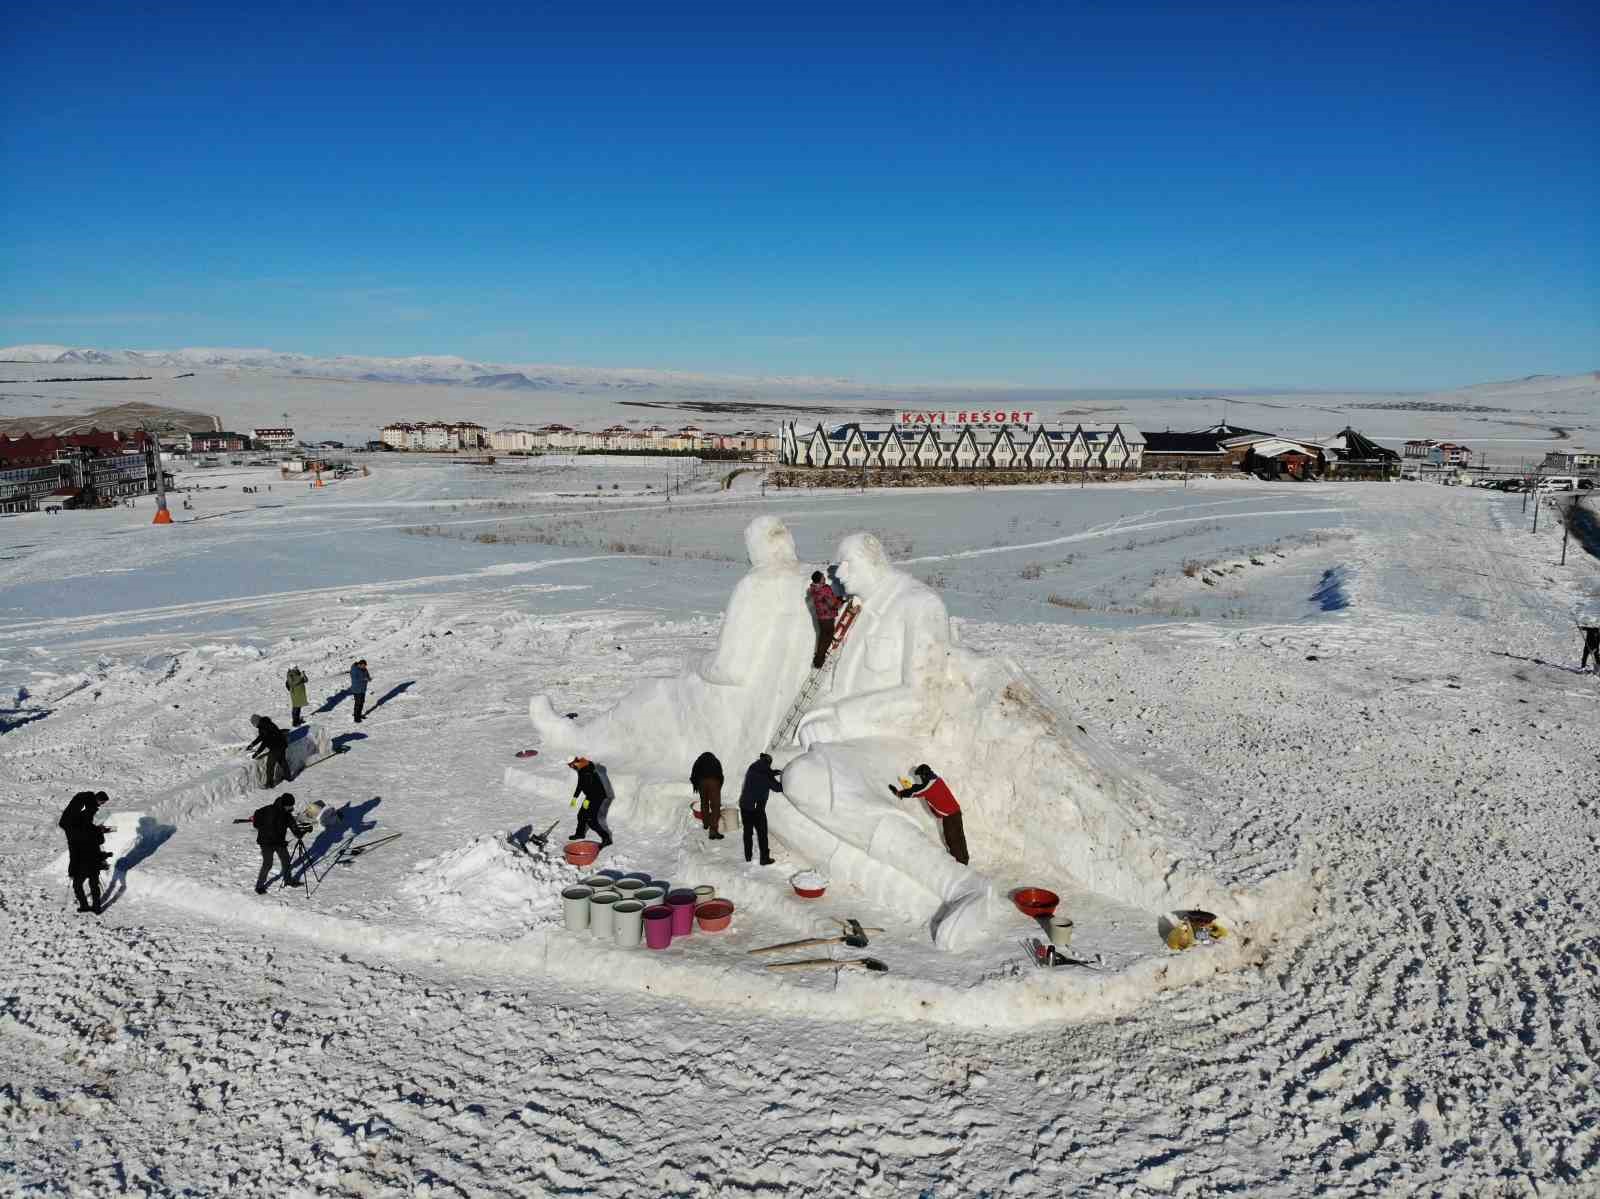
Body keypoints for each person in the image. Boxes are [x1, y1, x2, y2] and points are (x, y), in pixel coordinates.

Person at [891, 765, 969, 865]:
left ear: (924, 776)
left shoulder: (928, 786)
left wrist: (899, 793)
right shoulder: (937, 779)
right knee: (960, 838)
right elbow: (920, 788)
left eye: (920, 777)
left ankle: (957, 866)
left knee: (952, 840)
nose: (920, 779)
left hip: (949, 817)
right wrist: (914, 787)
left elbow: (914, 792)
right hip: (956, 812)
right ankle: (964, 861)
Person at [58, 791, 112, 913]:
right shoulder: (92, 828)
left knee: (77, 886)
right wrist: (99, 831)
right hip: (93, 862)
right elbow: (100, 841)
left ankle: (84, 905)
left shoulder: (73, 831)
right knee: (94, 885)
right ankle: (97, 908)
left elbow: (73, 851)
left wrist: (71, 869)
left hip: (80, 863)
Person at [251, 792, 305, 893]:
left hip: (279, 842)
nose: (291, 807)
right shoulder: (268, 810)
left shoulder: (287, 814)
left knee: (286, 860)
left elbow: (293, 825)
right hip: (266, 842)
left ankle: (288, 880)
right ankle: (259, 886)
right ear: (285, 804)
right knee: (268, 863)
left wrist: (299, 834)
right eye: (290, 806)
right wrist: (260, 826)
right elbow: (256, 816)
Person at [739, 753, 783, 865]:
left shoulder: (753, 767)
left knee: (747, 832)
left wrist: (773, 772)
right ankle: (764, 858)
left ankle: (748, 856)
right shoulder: (766, 775)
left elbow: (763, 774)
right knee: (762, 833)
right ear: (768, 763)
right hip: (756, 808)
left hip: (744, 804)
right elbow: (778, 788)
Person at [567, 756, 613, 847]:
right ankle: (580, 833)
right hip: (591, 796)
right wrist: (575, 797)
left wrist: (588, 800)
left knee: (592, 821)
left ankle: (606, 839)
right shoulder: (581, 769)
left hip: (597, 796)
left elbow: (591, 787)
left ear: (574, 763)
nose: (571, 768)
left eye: (570, 765)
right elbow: (580, 784)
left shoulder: (586, 771)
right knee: (581, 815)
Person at [807, 570, 842, 669]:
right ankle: (819, 660)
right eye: (823, 577)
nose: (824, 578)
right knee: (828, 636)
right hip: (827, 617)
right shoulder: (823, 589)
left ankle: (818, 657)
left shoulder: (814, 589)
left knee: (823, 636)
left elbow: (825, 600)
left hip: (821, 617)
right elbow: (832, 604)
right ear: (819, 580)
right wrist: (840, 601)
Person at [246, 714, 291, 786]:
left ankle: (269, 784)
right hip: (282, 744)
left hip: (276, 747)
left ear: (256, 722)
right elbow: (261, 737)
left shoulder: (263, 727)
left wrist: (257, 753)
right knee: (282, 761)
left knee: (270, 765)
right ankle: (288, 777)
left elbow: (264, 742)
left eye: (253, 723)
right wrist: (252, 744)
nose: (253, 725)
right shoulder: (265, 724)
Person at [690, 750, 725, 840]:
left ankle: (706, 824)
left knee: (704, 803)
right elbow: (721, 775)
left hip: (702, 782)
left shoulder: (699, 761)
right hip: (714, 781)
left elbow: (693, 775)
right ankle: (713, 830)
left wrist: (697, 786)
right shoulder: (715, 761)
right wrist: (718, 788)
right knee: (715, 806)